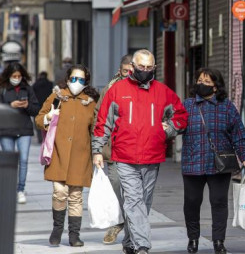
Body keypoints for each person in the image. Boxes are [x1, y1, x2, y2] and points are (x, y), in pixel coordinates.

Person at [92, 49, 188, 254]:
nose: (145, 70)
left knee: (143, 203)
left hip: (152, 157)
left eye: (149, 67)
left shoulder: (163, 91)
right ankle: (143, 246)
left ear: (154, 68)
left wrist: (169, 129)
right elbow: (102, 122)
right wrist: (97, 150)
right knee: (134, 201)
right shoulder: (116, 91)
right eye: (141, 67)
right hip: (124, 157)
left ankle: (129, 242)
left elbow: (181, 115)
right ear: (132, 67)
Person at [182, 68, 245, 254]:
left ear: (215, 86)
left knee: (219, 202)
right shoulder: (187, 105)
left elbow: (238, 135)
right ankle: (193, 239)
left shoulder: (226, 106)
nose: (202, 84)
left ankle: (219, 241)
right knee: (191, 202)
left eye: (206, 81)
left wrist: (244, 158)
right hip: (192, 163)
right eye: (199, 80)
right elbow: (175, 128)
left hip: (219, 164)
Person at [35, 64, 99, 247]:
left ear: (86, 82)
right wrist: (49, 116)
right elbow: (39, 119)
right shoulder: (57, 96)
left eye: (81, 79)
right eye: (73, 79)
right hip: (59, 153)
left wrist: (98, 153)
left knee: (76, 196)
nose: (76, 82)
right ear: (67, 79)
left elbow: (96, 129)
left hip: (80, 155)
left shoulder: (90, 102)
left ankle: (74, 235)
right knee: (60, 192)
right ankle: (57, 229)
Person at [96, 54, 133, 245]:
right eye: (126, 71)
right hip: (114, 149)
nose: (129, 74)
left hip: (137, 149)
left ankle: (134, 225)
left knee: (136, 191)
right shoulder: (109, 90)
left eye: (132, 71)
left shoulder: (145, 89)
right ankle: (119, 222)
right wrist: (98, 148)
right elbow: (98, 116)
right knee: (116, 184)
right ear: (120, 71)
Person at [0, 62, 41, 204]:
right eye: (14, 76)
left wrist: (27, 105)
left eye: (19, 76)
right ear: (8, 76)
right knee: (9, 162)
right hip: (6, 130)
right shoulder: (3, 88)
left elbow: (36, 110)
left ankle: (20, 190)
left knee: (23, 160)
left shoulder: (27, 88)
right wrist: (9, 106)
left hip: (24, 129)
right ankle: (9, 189)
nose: (16, 78)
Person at [32, 71, 55, 144]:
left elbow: (32, 96)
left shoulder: (35, 85)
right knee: (48, 122)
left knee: (38, 123)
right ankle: (47, 138)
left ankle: (40, 139)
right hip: (48, 107)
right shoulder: (50, 84)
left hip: (38, 107)